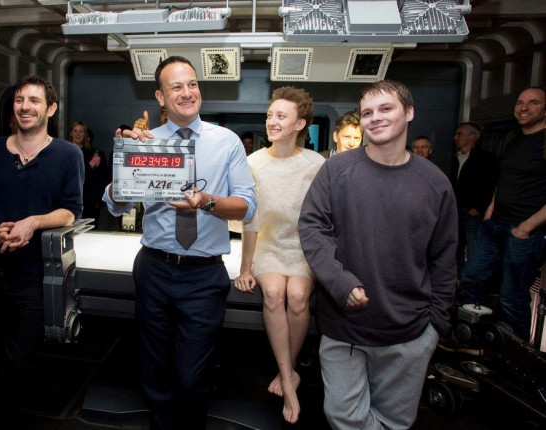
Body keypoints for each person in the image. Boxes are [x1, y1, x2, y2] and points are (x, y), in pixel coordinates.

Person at [103, 56, 256, 429]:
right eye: (176, 87)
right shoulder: (146, 143)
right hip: (154, 268)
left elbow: (246, 205)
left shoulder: (227, 142)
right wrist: (124, 166)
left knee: (190, 377)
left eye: (192, 84)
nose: (187, 92)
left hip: (203, 275)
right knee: (155, 372)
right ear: (160, 97)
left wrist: (206, 202)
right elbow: (117, 203)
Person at [299, 79, 457, 430]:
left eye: (386, 108)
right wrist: (340, 283)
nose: (375, 117)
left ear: (409, 112)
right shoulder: (336, 170)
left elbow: (444, 257)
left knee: (396, 421)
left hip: (411, 330)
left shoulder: (435, 183)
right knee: (342, 414)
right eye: (367, 112)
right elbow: (312, 229)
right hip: (345, 326)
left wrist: (436, 325)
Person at [0, 75, 84, 429]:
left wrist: (34, 222)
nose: (25, 107)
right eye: (19, 100)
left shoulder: (68, 155)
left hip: (31, 277)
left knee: (19, 359)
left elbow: (71, 210)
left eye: (34, 100)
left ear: (51, 109)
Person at [234, 86, 324, 424]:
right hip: (269, 245)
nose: (272, 121)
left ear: (299, 124)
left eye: (281, 116)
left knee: (298, 296)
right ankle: (288, 378)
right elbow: (251, 219)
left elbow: (323, 218)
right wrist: (245, 268)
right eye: (270, 115)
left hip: (303, 247)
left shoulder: (317, 164)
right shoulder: (253, 163)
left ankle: (289, 367)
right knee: (273, 292)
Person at [459, 87, 546, 340]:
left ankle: (514, 353)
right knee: (471, 278)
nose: (524, 108)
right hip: (494, 225)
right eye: (520, 103)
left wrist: (526, 228)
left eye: (533, 103)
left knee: (512, 297)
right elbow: (505, 179)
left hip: (524, 233)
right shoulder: (514, 138)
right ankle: (477, 339)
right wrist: (490, 211)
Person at [451, 122, 498, 276]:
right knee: (456, 248)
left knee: (475, 250)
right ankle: (458, 280)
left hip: (473, 214)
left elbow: (491, 185)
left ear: (472, 137)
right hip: (456, 212)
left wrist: (478, 208)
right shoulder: (456, 158)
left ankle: (472, 283)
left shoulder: (485, 159)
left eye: (459, 134)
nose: (455, 138)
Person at [68, 120, 108, 229]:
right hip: (69, 199)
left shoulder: (96, 154)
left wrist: (97, 199)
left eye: (81, 131)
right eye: (75, 131)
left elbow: (100, 178)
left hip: (89, 201)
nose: (78, 134)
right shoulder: (64, 152)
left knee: (90, 230)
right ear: (71, 133)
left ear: (85, 134)